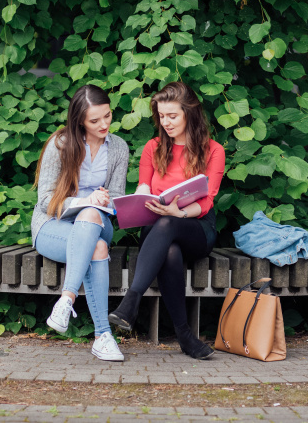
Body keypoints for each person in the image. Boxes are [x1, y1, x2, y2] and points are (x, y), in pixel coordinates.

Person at [108, 82, 225, 359]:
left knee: (169, 223)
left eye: (172, 116)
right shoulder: (154, 147)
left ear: (190, 114)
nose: (166, 122)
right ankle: (184, 336)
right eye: (162, 116)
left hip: (196, 226)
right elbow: (144, 185)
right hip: (159, 227)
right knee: (169, 248)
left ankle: (130, 303)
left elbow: (207, 201)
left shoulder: (213, 150)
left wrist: (180, 213)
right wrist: (141, 197)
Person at [31, 85, 129, 362]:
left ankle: (66, 300)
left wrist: (104, 201)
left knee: (92, 216)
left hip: (99, 222)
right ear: (79, 121)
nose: (104, 124)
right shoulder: (60, 144)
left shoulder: (119, 147)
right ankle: (102, 336)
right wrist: (86, 200)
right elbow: (45, 202)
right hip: (52, 225)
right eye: (94, 120)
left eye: (107, 116)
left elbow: (118, 198)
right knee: (98, 249)